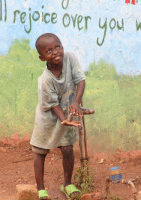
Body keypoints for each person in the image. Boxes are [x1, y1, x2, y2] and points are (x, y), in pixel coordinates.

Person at [30, 33, 86, 200]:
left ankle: (67, 184)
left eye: (57, 47)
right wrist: (63, 119)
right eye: (49, 51)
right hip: (47, 118)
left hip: (66, 113)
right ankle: (41, 189)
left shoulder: (70, 58)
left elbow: (80, 80)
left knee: (68, 148)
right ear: (42, 58)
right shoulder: (45, 80)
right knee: (40, 151)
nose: (55, 52)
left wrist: (76, 103)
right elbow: (53, 104)